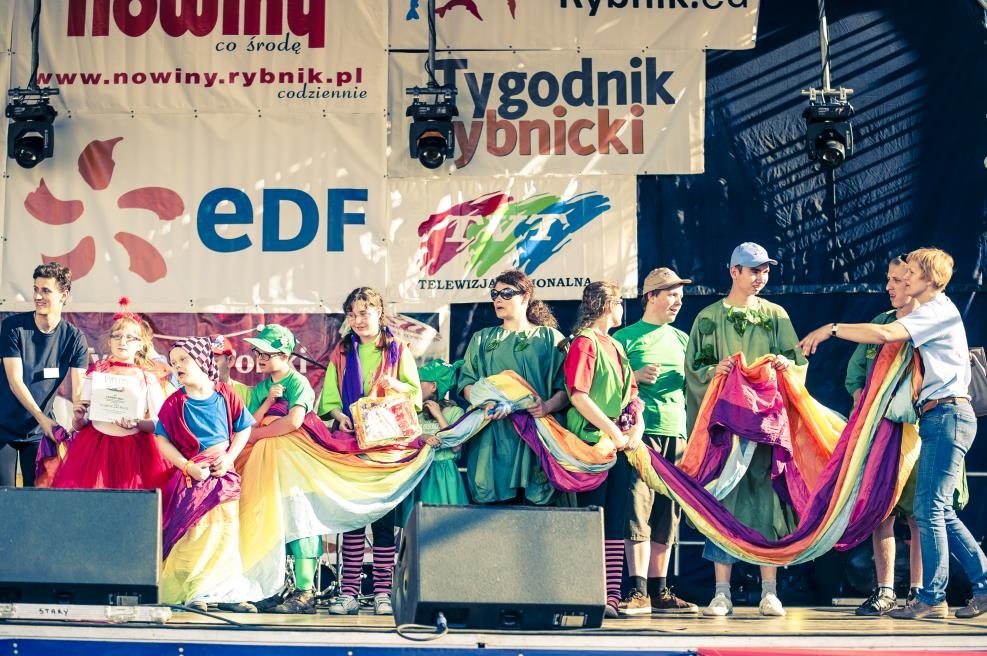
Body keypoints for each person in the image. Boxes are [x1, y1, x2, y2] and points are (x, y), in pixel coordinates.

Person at [800, 247, 987, 620]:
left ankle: (932, 597)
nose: (903, 280)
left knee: (930, 509)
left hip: (947, 415)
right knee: (936, 509)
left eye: (910, 274)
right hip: (940, 416)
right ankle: (976, 586)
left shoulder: (935, 311)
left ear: (928, 279)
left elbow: (885, 333)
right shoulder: (932, 311)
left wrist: (831, 329)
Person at [684, 242, 806, 618]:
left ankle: (770, 592)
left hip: (766, 426)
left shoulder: (776, 315)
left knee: (768, 500)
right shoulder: (708, 317)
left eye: (765, 271)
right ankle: (721, 593)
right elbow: (695, 369)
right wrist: (713, 371)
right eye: (753, 270)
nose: (760, 278)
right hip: (728, 427)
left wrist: (786, 365)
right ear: (733, 271)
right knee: (723, 502)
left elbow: (797, 361)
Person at [317, 287, 422, 616]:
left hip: (386, 448)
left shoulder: (397, 349)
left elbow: (415, 395)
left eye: (364, 312)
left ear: (379, 313)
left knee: (383, 522)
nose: (358, 319)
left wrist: (396, 386)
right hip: (351, 446)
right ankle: (348, 593)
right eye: (352, 314)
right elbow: (330, 400)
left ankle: (382, 594)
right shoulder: (342, 352)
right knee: (352, 519)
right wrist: (340, 417)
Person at [613, 268, 698, 615]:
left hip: (676, 434)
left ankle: (660, 591)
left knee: (667, 512)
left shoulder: (682, 339)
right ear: (651, 296)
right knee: (637, 507)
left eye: (680, 296)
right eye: (671, 295)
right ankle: (638, 591)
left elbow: (698, 386)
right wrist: (634, 376)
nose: (678, 302)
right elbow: (604, 386)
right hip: (639, 435)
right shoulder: (624, 338)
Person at [155, 337, 256, 613]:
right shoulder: (175, 403)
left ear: (201, 360)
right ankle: (196, 591)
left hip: (223, 478)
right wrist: (186, 466)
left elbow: (244, 427)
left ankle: (227, 592)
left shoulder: (225, 394)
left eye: (183, 360)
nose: (177, 366)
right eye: (173, 362)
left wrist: (229, 457)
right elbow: (162, 440)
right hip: (193, 480)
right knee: (196, 536)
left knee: (225, 535)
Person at [846, 256, 923, 616]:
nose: (889, 286)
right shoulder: (880, 322)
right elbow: (856, 372)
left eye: (897, 279)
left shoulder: (931, 320)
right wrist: (860, 396)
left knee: (921, 515)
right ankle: (886, 590)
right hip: (881, 435)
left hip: (919, 435)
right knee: (882, 512)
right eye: (888, 279)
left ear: (915, 281)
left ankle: (921, 592)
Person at [563, 281, 644, 619]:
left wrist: (636, 428)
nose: (623, 308)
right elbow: (578, 395)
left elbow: (633, 397)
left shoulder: (617, 346)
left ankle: (611, 594)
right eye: (620, 302)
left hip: (618, 445)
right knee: (591, 517)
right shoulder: (585, 343)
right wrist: (612, 429)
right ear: (609, 305)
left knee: (615, 518)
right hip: (590, 443)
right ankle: (589, 592)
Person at [457, 269, 568, 505]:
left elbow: (567, 388)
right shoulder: (482, 338)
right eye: (494, 294)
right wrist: (485, 402)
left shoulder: (550, 338)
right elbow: (466, 382)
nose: (498, 299)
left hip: (536, 436)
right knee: (491, 517)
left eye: (506, 293)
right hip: (492, 439)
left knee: (537, 514)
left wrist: (547, 406)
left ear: (525, 296)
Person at [243, 323, 320, 614]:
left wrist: (258, 435)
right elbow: (248, 424)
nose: (259, 357)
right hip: (263, 466)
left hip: (293, 462)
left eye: (266, 353)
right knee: (270, 522)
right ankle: (275, 587)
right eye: (257, 352)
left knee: (299, 520)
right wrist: (268, 402)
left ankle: (305, 591)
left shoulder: (298, 383)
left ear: (285, 355)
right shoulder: (260, 388)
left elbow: (294, 421)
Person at [52, 309, 170, 490]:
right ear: (109, 341)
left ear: (140, 344)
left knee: (131, 503)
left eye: (130, 337)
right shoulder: (96, 373)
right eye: (117, 336)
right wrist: (78, 418)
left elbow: (160, 424)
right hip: (95, 449)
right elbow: (82, 422)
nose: (123, 341)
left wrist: (138, 423)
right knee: (94, 502)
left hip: (135, 452)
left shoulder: (148, 378)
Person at [0, 263, 89, 487]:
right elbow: (15, 381)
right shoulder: (13, 327)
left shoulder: (75, 339)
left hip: (39, 432)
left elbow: (79, 392)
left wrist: (78, 419)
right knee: (4, 494)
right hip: (4, 426)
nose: (38, 296)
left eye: (46, 291)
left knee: (36, 497)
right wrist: (43, 419)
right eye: (35, 289)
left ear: (63, 295)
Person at [399, 359, 469, 527]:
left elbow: (456, 446)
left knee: (445, 526)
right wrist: (423, 437)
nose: (415, 387)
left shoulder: (455, 412)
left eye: (419, 383)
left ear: (433, 386)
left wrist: (438, 415)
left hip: (444, 475)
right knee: (415, 527)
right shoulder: (413, 412)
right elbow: (404, 441)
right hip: (418, 474)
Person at [210, 334, 251, 405]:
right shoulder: (193, 393)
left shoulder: (245, 393)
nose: (208, 366)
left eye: (215, 361)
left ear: (230, 361)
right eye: (204, 360)